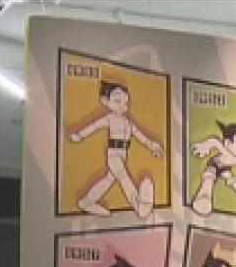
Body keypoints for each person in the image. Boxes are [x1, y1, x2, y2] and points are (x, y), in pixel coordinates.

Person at [68, 81, 164, 218]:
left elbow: (140, 135)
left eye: (126, 102)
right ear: (105, 101)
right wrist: (79, 135)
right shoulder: (109, 118)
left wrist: (152, 145)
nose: (122, 105)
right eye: (117, 101)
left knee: (109, 179)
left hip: (123, 154)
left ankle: (87, 201)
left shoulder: (128, 122)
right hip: (113, 154)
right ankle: (138, 205)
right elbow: (94, 126)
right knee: (123, 177)